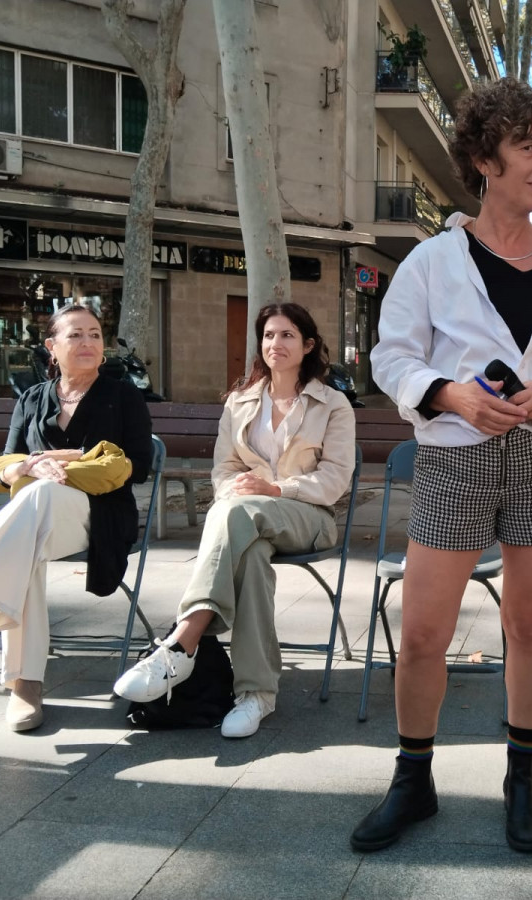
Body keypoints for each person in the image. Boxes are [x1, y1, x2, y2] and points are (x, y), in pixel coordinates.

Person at [351, 77, 532, 855]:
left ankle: (521, 778)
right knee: (423, 632)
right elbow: (391, 356)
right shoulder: (432, 261)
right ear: (483, 160)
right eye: (527, 147)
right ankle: (412, 781)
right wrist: (449, 394)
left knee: (528, 625)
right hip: (453, 461)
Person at [114, 303, 355, 738]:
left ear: (308, 345)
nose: (275, 343)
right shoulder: (240, 403)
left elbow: (335, 479)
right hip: (245, 520)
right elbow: (224, 471)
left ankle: (183, 642)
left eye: (286, 335)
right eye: (268, 335)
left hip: (309, 517)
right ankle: (256, 694)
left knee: (235, 514)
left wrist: (275, 489)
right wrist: (238, 492)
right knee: (251, 556)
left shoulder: (332, 404)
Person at [0, 304, 152, 731]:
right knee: (28, 537)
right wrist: (27, 466)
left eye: (95, 334)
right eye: (75, 334)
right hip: (36, 521)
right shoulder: (32, 398)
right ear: (51, 347)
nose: (88, 342)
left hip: (98, 517)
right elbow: (5, 463)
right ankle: (25, 683)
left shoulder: (123, 395)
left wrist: (58, 462)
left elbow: (139, 465)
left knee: (36, 500)